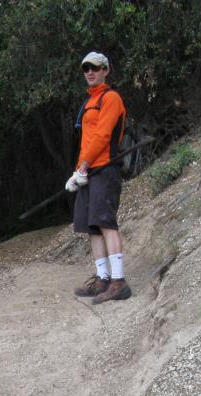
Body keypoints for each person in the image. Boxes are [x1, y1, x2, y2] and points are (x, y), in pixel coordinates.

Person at [65, 51, 131, 304]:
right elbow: (87, 141)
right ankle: (102, 279)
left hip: (105, 169)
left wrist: (83, 167)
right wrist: (78, 170)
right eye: (86, 68)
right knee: (91, 226)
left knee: (106, 223)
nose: (90, 72)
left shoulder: (111, 98)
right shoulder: (89, 101)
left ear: (106, 70)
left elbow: (103, 136)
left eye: (95, 67)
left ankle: (118, 282)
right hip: (88, 172)